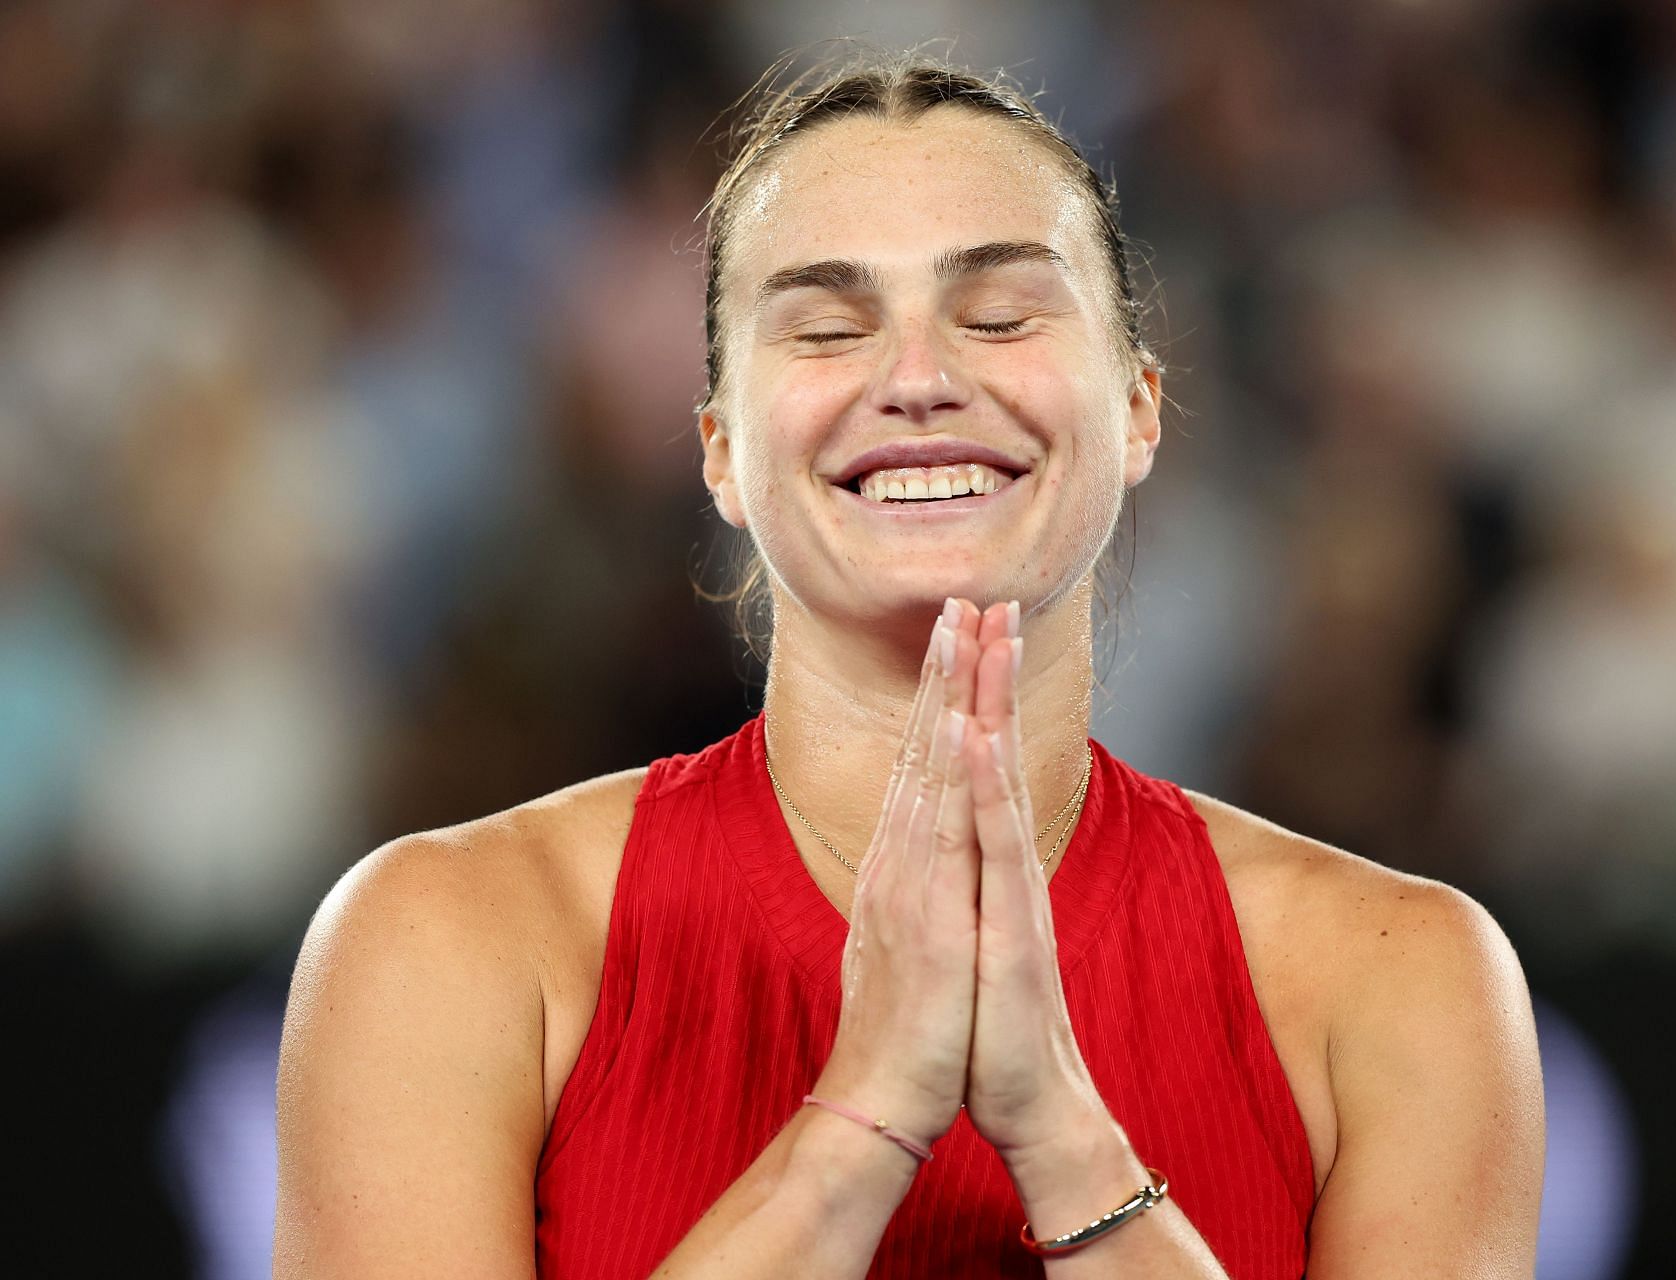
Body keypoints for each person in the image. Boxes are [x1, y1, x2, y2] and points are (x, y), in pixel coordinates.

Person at [273, 55, 1546, 1279]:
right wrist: (864, 1117)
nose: (920, 377)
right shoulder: (447, 943)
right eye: (827, 328)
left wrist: (1059, 1136)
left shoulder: (1405, 980)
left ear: (1142, 405)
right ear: (719, 448)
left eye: (998, 314)